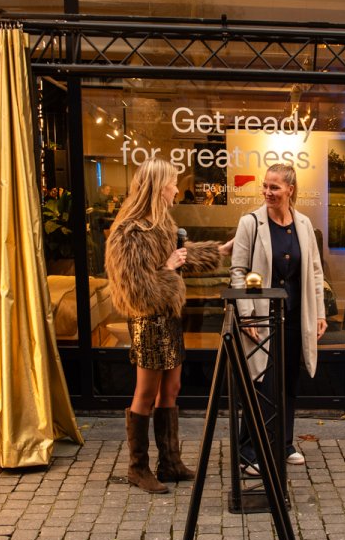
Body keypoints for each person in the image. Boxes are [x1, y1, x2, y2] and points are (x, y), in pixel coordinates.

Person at [104, 158, 232, 493]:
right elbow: (136, 289)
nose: (177, 188)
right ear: (160, 187)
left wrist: (219, 251)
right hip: (148, 320)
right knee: (145, 393)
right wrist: (168, 269)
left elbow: (181, 256)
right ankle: (138, 468)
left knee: (171, 388)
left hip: (169, 318)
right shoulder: (130, 231)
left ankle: (170, 462)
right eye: (173, 183)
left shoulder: (160, 224)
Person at [232, 163, 327, 469]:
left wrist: (319, 312)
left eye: (274, 187)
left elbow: (315, 272)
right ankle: (248, 451)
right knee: (260, 382)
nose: (267, 192)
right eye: (265, 186)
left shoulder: (303, 224)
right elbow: (238, 272)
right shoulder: (250, 223)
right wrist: (246, 315)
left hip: (295, 317)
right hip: (261, 318)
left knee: (288, 381)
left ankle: (283, 443)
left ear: (290, 189)